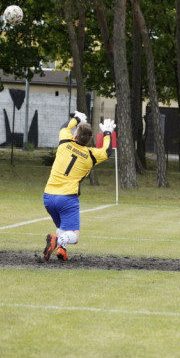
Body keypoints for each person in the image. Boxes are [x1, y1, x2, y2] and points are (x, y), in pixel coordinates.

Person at [42, 110, 115, 261]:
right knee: (74, 235)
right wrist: (107, 133)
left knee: (63, 226)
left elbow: (64, 127)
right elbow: (107, 152)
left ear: (75, 135)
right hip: (67, 198)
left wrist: (76, 118)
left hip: (48, 196)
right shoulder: (91, 155)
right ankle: (58, 241)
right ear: (88, 141)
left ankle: (62, 250)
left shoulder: (65, 142)